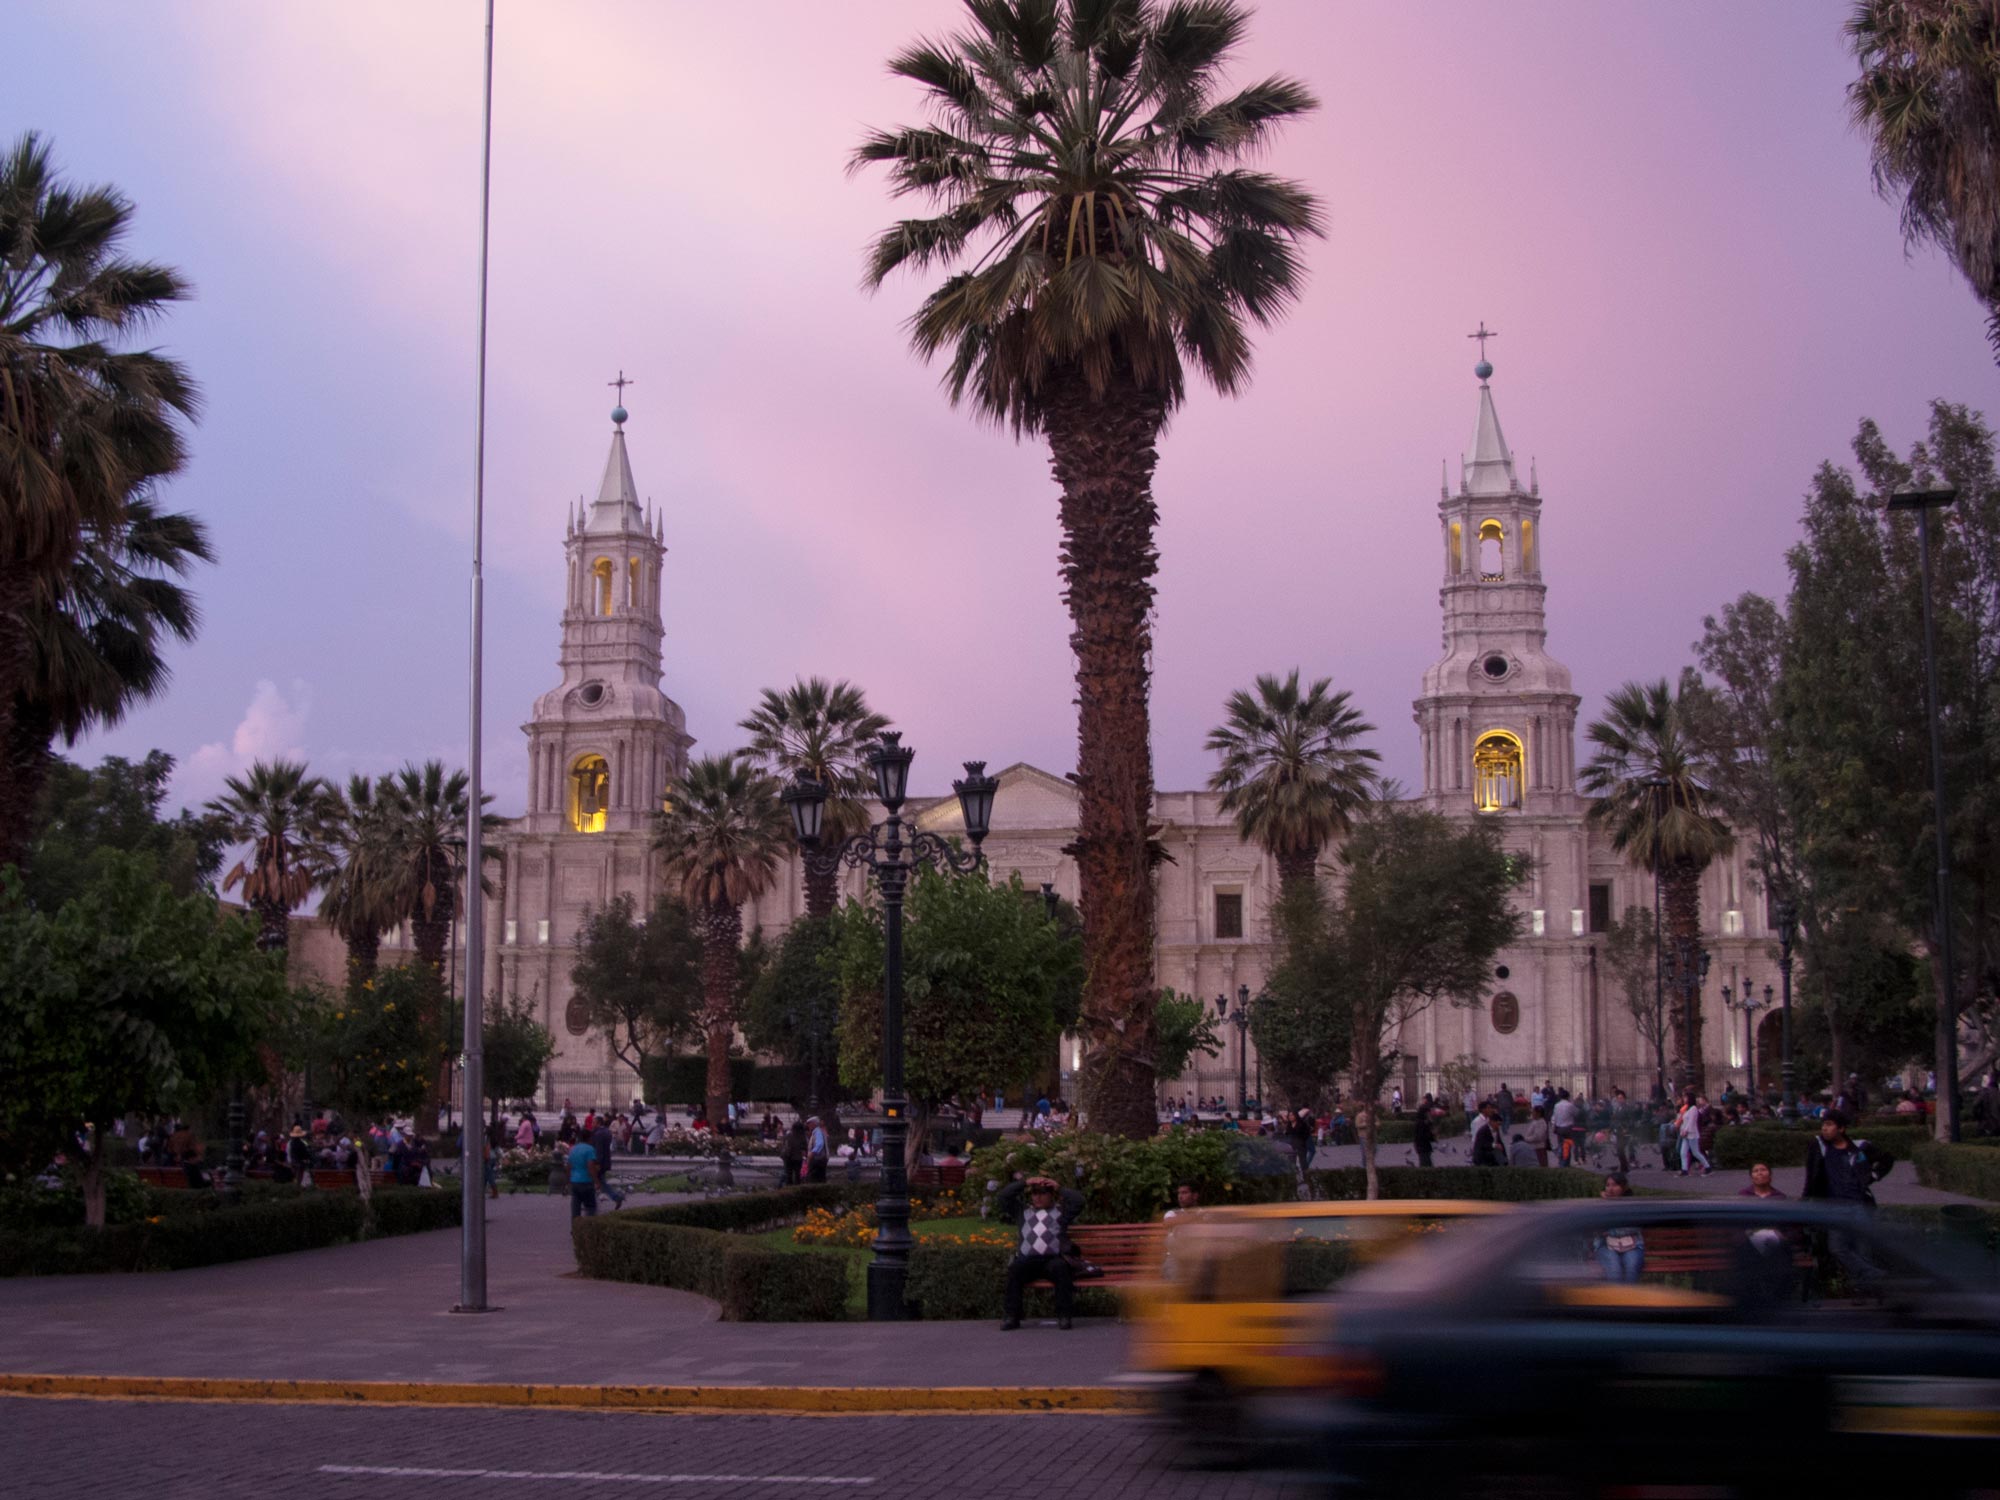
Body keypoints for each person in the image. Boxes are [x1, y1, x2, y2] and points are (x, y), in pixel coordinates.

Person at [995, 1174, 1084, 1331]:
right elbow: (1003, 1197)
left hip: (1052, 1260)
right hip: (1028, 1261)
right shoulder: (1023, 1212)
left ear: (1051, 1195)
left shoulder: (1061, 1212)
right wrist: (1024, 1183)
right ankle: (1012, 1317)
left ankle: (1064, 1316)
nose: (1038, 1197)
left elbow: (1079, 1201)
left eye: (1043, 1193)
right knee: (1015, 1269)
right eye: (1035, 1193)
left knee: (1061, 1269)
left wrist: (1060, 1187)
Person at [1801, 1109, 1893, 1206]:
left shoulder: (1859, 1147)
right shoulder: (1819, 1148)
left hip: (1858, 1206)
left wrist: (1873, 1176)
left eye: (1829, 1124)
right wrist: (1804, 1201)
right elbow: (1810, 1178)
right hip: (1830, 1208)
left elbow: (1887, 1159)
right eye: (1823, 1124)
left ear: (1841, 1128)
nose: (1824, 1128)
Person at [1592, 1172, 1644, 1282]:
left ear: (1623, 1187)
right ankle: (1616, 1298)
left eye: (1615, 1185)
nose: (1610, 1189)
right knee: (1614, 1268)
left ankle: (1629, 1298)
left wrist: (1611, 1231)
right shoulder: (1599, 1205)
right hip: (1605, 1245)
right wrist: (1606, 1204)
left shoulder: (1632, 1204)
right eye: (1608, 1185)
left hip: (1632, 1245)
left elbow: (1635, 1227)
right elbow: (1598, 1228)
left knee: (1632, 1266)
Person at [589, 1117, 626, 1209]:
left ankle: (590, 1202)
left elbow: (598, 1150)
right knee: (600, 1183)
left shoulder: (598, 1134)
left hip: (599, 1162)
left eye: (593, 1122)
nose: (592, 1124)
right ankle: (615, 1197)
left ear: (598, 1123)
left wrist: (597, 1163)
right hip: (605, 1161)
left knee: (595, 1181)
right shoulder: (606, 1132)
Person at [1676, 1094, 1712, 1177]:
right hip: (1686, 1134)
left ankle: (1708, 1167)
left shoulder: (1693, 1109)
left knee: (1696, 1152)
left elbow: (1691, 1122)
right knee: (1683, 1152)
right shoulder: (1687, 1109)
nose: (1684, 1099)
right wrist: (1682, 1130)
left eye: (1686, 1097)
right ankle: (1684, 1169)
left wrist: (1686, 1130)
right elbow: (1684, 1121)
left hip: (1692, 1134)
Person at [567, 1133, 598, 1218]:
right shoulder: (590, 1149)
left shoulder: (573, 1149)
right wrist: (596, 1181)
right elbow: (590, 1166)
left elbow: (569, 1166)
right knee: (590, 1207)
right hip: (586, 1181)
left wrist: (568, 1180)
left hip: (574, 1181)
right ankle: (588, 1227)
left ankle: (575, 1227)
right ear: (589, 1138)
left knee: (575, 1206)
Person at [1471, 1103, 1506, 1167]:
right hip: (1483, 1150)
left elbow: (1498, 1140)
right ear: (1483, 1109)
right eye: (1489, 1108)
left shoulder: (1490, 1121)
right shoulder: (1477, 1122)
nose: (1491, 1109)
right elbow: (1477, 1140)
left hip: (1491, 1149)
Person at [1412, 1096, 1436, 1168]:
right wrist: (1432, 1134)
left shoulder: (1426, 1122)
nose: (1430, 1115)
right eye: (1428, 1113)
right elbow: (1422, 1136)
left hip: (1425, 1147)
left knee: (1428, 1164)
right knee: (1425, 1164)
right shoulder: (1421, 1123)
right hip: (1422, 1147)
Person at [805, 1115, 830, 1183]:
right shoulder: (817, 1132)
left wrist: (812, 1153)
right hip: (820, 1159)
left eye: (809, 1124)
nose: (808, 1126)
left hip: (818, 1160)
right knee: (820, 1179)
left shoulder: (817, 1132)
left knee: (815, 1179)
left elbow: (819, 1144)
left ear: (814, 1124)